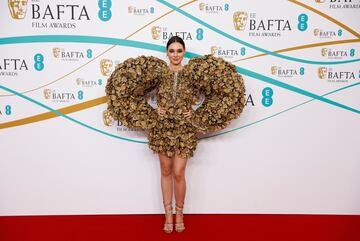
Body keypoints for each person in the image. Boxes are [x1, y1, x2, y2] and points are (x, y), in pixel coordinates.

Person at [105, 36, 246, 234]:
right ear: (167, 53)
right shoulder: (159, 72)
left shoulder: (192, 73)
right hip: (162, 127)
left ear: (184, 52)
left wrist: (197, 115)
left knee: (179, 172)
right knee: (165, 170)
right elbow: (130, 91)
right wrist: (152, 113)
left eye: (179, 51)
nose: (175, 55)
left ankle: (180, 213)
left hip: (185, 128)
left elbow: (220, 93)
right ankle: (168, 215)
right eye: (172, 51)